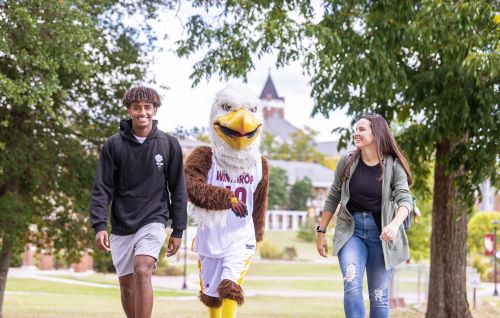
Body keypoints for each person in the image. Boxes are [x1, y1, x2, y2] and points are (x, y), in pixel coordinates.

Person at [90, 86, 187, 318]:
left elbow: (178, 188)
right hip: (122, 223)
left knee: (142, 268)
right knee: (126, 287)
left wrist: (178, 229)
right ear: (129, 110)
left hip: (154, 218)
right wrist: (99, 225)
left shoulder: (168, 144)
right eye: (136, 107)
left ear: (154, 110)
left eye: (147, 107)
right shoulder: (113, 145)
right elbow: (102, 187)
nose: (142, 112)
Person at [316, 114, 413, 318]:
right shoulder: (347, 163)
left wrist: (394, 225)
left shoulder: (394, 167)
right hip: (352, 232)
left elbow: (405, 201)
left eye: (362, 129)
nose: (356, 133)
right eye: (356, 129)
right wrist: (321, 231)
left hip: (382, 235)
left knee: (378, 297)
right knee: (352, 285)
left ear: (376, 133)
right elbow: (333, 196)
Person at [184, 84, 269, 318]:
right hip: (210, 233)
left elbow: (259, 200)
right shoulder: (204, 155)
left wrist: (258, 231)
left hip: (241, 236)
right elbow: (191, 186)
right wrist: (226, 198)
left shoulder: (258, 163)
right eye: (228, 108)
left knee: (231, 285)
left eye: (251, 110)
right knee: (211, 292)